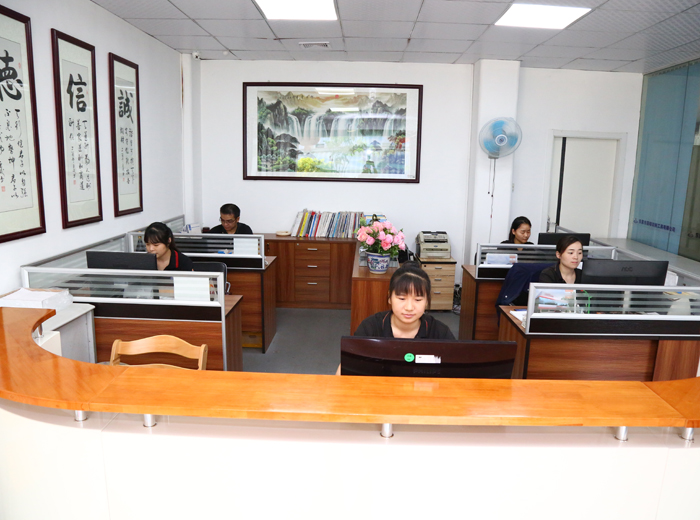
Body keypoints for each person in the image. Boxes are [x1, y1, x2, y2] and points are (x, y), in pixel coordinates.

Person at [355, 261, 455, 339]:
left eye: (418, 300)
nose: (409, 308)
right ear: (390, 297)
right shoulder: (369, 328)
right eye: (402, 298)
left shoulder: (440, 333)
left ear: (427, 301)